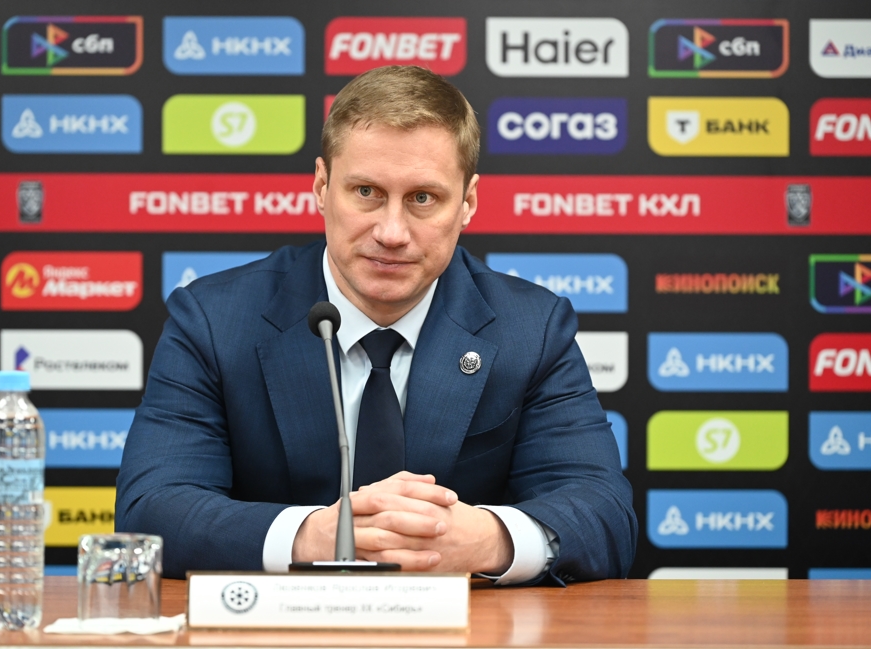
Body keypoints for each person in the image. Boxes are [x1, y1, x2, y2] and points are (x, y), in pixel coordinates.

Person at [116, 65, 636, 585]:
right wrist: (312, 538)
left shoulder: (531, 328)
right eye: (366, 191)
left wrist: (485, 540)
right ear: (321, 186)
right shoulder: (213, 320)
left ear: (468, 203)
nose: (391, 232)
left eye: (423, 198)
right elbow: (152, 508)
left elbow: (604, 514)